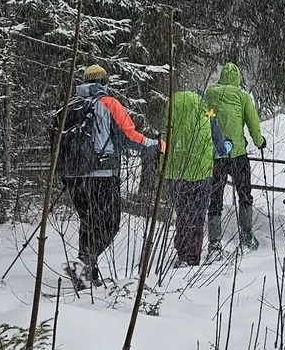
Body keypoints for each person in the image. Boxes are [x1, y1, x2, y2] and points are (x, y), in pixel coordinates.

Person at [54, 64, 157, 288]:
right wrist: (157, 145)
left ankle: (86, 276)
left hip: (72, 175)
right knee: (110, 224)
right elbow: (130, 137)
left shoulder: (70, 106)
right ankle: (82, 265)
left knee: (89, 222)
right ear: (105, 83)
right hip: (102, 174)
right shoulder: (109, 104)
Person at [160, 88, 230, 266]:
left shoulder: (172, 113)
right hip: (200, 174)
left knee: (183, 213)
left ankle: (182, 252)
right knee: (197, 216)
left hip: (173, 174)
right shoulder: (207, 113)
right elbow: (220, 148)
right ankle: (191, 258)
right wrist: (229, 144)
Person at [205, 61, 265, 252]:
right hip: (238, 154)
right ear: (237, 78)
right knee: (244, 194)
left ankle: (214, 241)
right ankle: (246, 236)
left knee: (215, 196)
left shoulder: (210, 94)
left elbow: (207, 119)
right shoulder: (242, 97)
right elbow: (253, 122)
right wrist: (259, 141)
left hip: (216, 155)